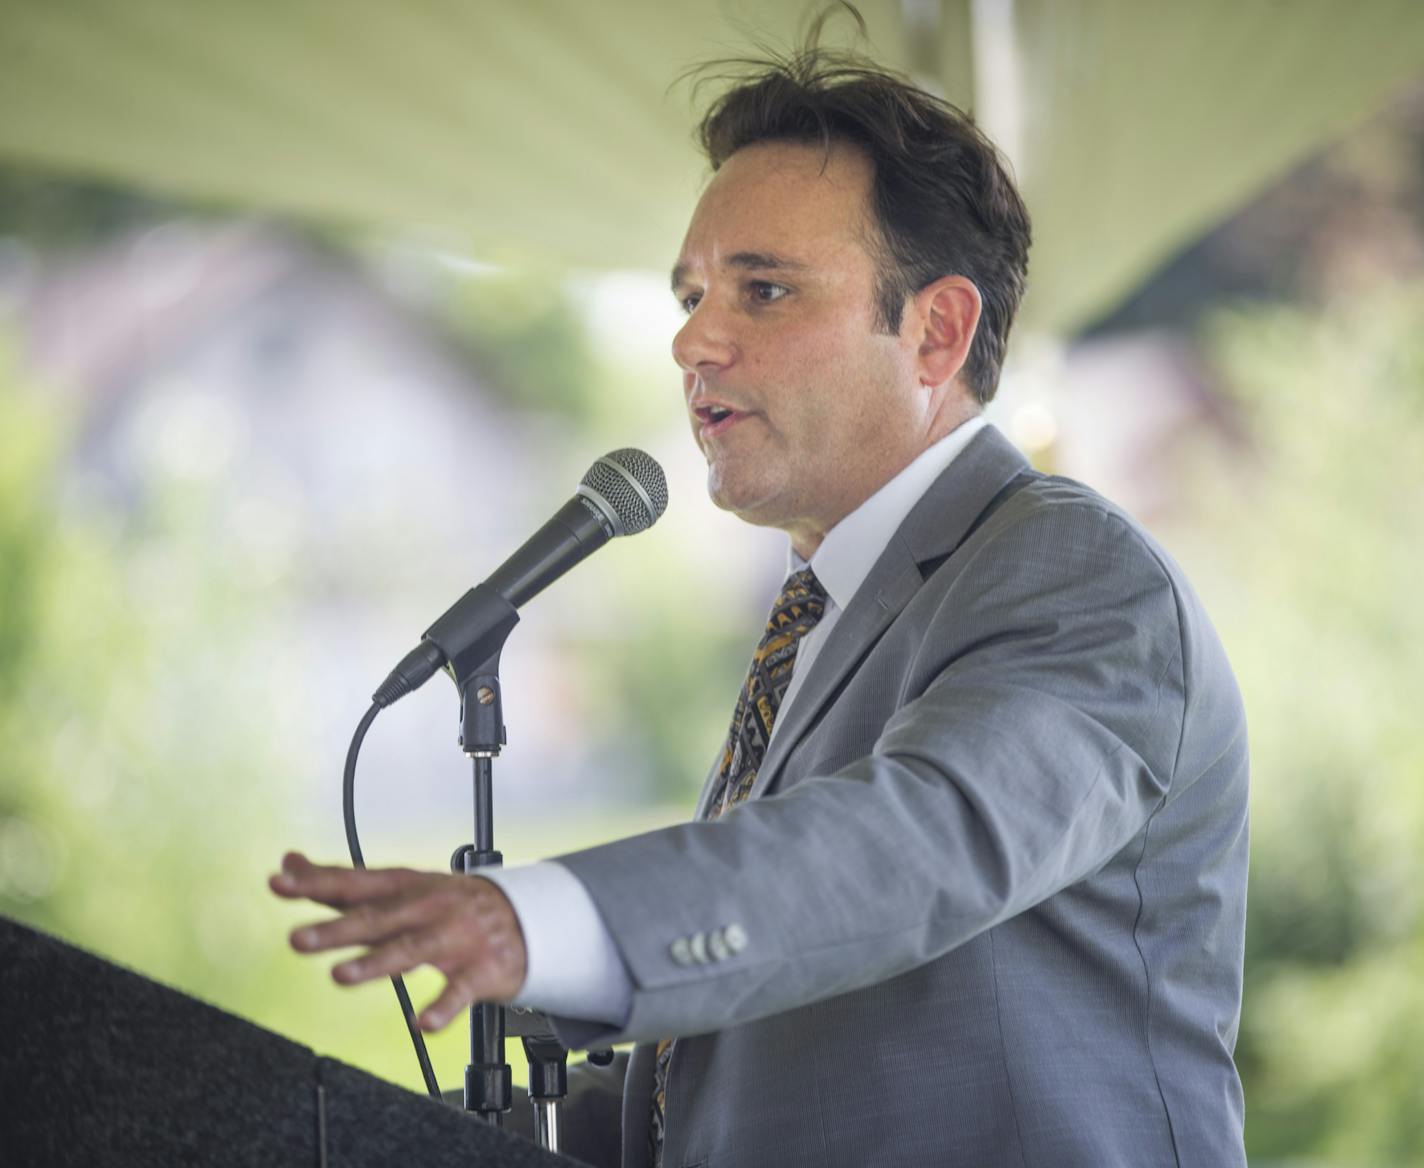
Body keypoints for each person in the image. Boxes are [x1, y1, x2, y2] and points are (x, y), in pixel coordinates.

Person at [271, 35, 1249, 1168]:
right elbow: (762, 1047)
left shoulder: (1071, 575)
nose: (692, 338)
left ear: (934, 331)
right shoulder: (822, 614)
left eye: (764, 289)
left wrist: (542, 919)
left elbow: (909, 847)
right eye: (690, 294)